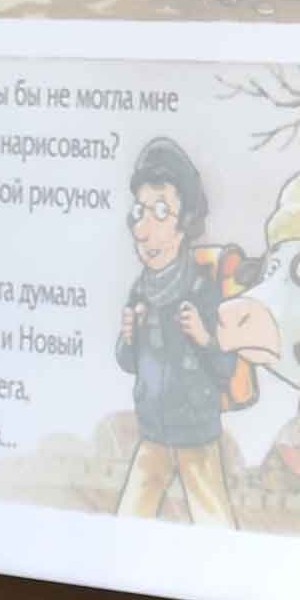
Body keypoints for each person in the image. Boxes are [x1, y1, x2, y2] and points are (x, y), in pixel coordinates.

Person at [109, 138, 241, 522]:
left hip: (196, 435)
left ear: (185, 225)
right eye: (140, 211)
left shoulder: (202, 290)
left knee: (214, 522)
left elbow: (226, 368)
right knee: (128, 521)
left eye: (161, 212)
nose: (143, 230)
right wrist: (128, 338)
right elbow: (128, 362)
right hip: (154, 433)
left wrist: (203, 337)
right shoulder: (140, 291)